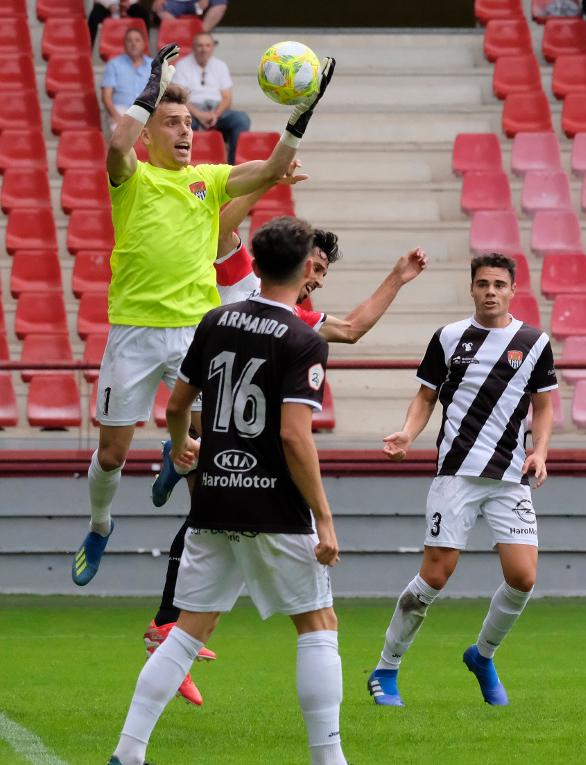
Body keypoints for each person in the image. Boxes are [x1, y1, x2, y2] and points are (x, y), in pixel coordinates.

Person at [145, 187, 427, 705]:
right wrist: (266, 172)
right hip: (219, 424)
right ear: (294, 261)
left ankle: (168, 634)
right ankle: (167, 627)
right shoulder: (245, 279)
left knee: (207, 527)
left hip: (226, 436)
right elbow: (220, 224)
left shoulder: (296, 321)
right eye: (314, 266)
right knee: (312, 618)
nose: (317, 278)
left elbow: (354, 327)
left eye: (323, 272)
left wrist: (398, 278)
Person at [71, 43, 336, 588]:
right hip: (136, 332)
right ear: (150, 134)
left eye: (189, 123)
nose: (185, 132)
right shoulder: (135, 180)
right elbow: (117, 142)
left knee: (214, 441)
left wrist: (299, 116)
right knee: (113, 452)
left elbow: (277, 168)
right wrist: (151, 86)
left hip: (197, 331)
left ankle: (202, 527)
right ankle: (100, 525)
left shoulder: (208, 179)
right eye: (171, 123)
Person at [107, 216, 348, 765]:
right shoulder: (304, 338)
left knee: (189, 629)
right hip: (275, 503)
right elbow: (293, 434)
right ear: (308, 267)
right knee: (318, 623)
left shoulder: (216, 320)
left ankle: (129, 750)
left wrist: (181, 445)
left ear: (256, 265)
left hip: (213, 496)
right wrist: (326, 518)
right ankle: (328, 757)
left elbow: (175, 407)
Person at [367, 253, 557, 708]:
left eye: (499, 284)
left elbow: (545, 403)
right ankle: (386, 668)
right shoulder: (449, 337)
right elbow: (425, 396)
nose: (490, 291)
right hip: (455, 474)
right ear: (471, 288)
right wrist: (408, 434)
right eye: (482, 283)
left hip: (510, 478)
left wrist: (541, 452)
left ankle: (482, 655)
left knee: (523, 577)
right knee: (435, 576)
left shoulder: (533, 341)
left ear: (513, 290)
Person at [172, 31, 250, 164]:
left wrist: (215, 114)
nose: (204, 49)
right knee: (184, 124)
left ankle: (233, 168)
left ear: (212, 47)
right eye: (200, 45)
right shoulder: (182, 65)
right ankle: (185, 164)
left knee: (241, 119)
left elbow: (227, 98)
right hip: (191, 110)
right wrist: (200, 115)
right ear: (193, 46)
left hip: (216, 110)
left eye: (207, 45)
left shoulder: (220, 65)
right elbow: (180, 99)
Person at [101, 28, 152, 133]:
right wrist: (116, 117)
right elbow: (106, 97)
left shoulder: (154, 65)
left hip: (148, 111)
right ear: (124, 45)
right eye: (129, 41)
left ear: (144, 44)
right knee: (121, 135)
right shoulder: (114, 64)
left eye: (137, 40)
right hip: (121, 110)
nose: (133, 44)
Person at [152, 0, 228, 30]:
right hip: (174, 2)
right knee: (159, 7)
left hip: (197, 2)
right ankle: (181, 33)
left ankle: (201, 34)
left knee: (220, 2)